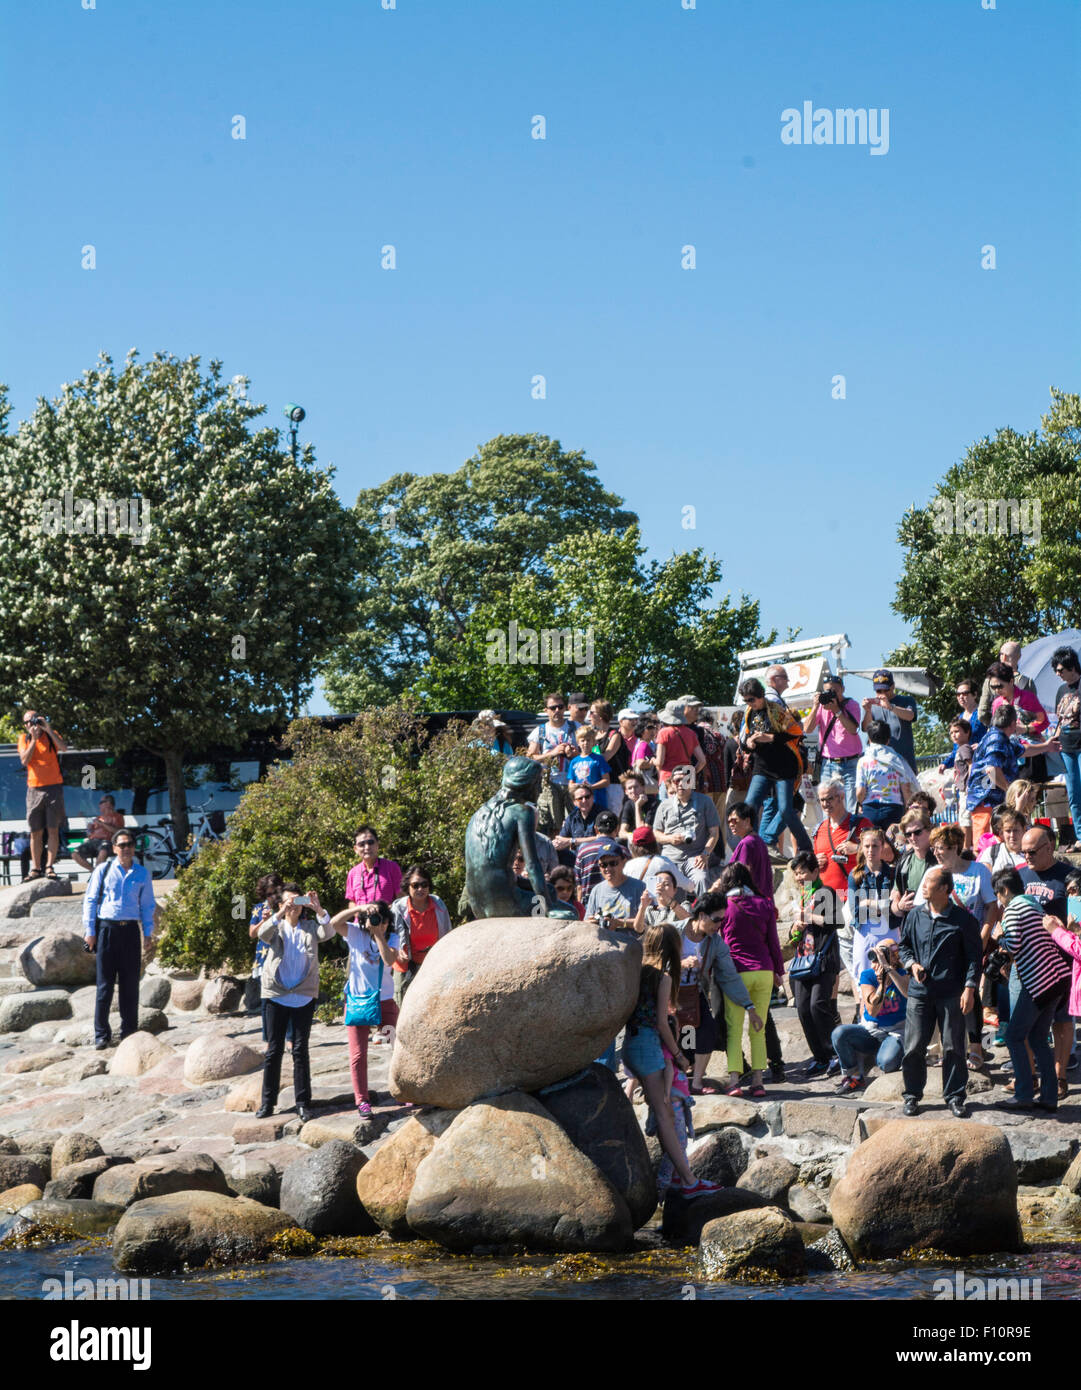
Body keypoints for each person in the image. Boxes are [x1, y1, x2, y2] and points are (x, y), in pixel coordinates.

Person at [623, 922, 721, 1198]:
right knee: (666, 1114)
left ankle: (677, 1178)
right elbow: (661, 1024)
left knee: (661, 1110)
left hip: (630, 1044)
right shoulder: (662, 976)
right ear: (672, 946)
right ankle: (688, 1182)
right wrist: (679, 1056)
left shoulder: (638, 971)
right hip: (647, 1045)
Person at [898, 866, 981, 1118]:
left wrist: (969, 987)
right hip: (919, 993)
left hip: (951, 993)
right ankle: (912, 1095)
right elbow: (904, 948)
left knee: (953, 1047)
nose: (923, 886)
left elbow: (974, 958)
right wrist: (911, 965)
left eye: (929, 882)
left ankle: (955, 1096)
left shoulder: (964, 920)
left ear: (945, 888)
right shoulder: (914, 916)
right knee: (913, 1047)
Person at [916, 823, 999, 1069]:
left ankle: (976, 1047)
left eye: (941, 848)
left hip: (971, 940)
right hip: (941, 944)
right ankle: (946, 1048)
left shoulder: (978, 871)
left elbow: (991, 907)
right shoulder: (932, 872)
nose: (937, 853)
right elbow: (922, 907)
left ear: (955, 847)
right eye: (934, 848)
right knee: (943, 996)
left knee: (970, 991)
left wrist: (982, 939)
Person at [991, 866, 1071, 1113]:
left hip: (1038, 982)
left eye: (998, 894)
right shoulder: (1034, 905)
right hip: (1056, 979)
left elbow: (1014, 943)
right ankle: (1048, 1097)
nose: (998, 900)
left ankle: (1024, 1094)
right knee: (1037, 1037)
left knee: (1015, 1036)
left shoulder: (1014, 908)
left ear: (1004, 890)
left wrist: (999, 936)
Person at [254, 883, 334, 1121]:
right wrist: (279, 914)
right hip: (276, 993)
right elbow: (262, 934)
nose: (294, 906)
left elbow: (328, 933)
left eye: (298, 902)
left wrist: (318, 909)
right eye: (290, 901)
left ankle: (302, 1102)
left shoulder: (310, 926)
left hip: (303, 994)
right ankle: (268, 1102)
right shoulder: (276, 927)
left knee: (300, 1050)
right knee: (274, 1050)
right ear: (281, 904)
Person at [677, 891, 763, 1095]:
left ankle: (696, 1084)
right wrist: (680, 964)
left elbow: (729, 976)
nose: (719, 925)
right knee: (673, 1037)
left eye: (722, 920)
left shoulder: (715, 943)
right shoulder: (673, 931)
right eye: (716, 919)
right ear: (702, 915)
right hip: (668, 993)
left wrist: (749, 1006)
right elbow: (653, 961)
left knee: (707, 1031)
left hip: (692, 995)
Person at [327, 898, 407, 1118]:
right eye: (373, 919)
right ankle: (362, 1101)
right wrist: (360, 908)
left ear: (387, 921)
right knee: (358, 1055)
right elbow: (334, 923)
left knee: (396, 1047)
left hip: (385, 1000)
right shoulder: (355, 934)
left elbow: (390, 960)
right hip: (358, 1001)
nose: (377, 922)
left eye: (381, 919)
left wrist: (379, 934)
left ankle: (403, 1091)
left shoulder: (391, 936)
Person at [83, 828, 156, 1051]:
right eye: (122, 845)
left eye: (130, 844)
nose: (126, 849)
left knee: (130, 984)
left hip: (130, 931)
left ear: (134, 848)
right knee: (104, 985)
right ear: (114, 848)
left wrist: (148, 934)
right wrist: (90, 931)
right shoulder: (103, 870)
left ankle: (129, 1032)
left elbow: (147, 906)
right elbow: (91, 900)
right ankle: (101, 1035)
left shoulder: (142, 873)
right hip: (107, 930)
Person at [716, 862, 784, 1098]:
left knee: (734, 1028)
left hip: (736, 973)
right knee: (759, 1027)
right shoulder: (765, 904)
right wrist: (779, 971)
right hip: (764, 971)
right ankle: (758, 1082)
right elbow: (773, 942)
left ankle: (734, 1081)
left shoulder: (725, 906)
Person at [1018, 823, 1076, 1098]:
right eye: (1023, 852)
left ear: (1050, 846)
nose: (1026, 856)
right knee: (1028, 1022)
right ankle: (1030, 1076)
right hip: (1029, 962)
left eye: (1031, 851)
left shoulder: (1070, 877)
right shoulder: (1019, 876)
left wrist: (1062, 927)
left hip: (1061, 962)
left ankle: (1060, 1075)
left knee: (1062, 1021)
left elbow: (1078, 923)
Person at [739, 678, 812, 856]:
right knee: (749, 806)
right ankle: (755, 844)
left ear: (761, 696)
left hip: (784, 767)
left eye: (752, 700)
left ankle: (806, 847)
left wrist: (770, 737)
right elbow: (745, 741)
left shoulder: (776, 711)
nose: (749, 703)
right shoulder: (749, 713)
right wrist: (749, 742)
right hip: (762, 766)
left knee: (786, 809)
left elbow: (796, 732)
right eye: (746, 700)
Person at [787, 850, 842, 1078]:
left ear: (815, 871)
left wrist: (807, 917)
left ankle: (836, 1054)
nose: (800, 877)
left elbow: (836, 921)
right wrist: (795, 929)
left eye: (804, 873)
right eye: (797, 873)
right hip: (804, 961)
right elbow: (797, 932)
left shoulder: (825, 892)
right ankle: (819, 1057)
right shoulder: (803, 896)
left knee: (818, 1006)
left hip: (823, 959)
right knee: (802, 1009)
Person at [831, 938, 909, 1093]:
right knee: (839, 1033)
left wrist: (889, 970)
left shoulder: (903, 972)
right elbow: (873, 1011)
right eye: (890, 951)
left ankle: (895, 1052)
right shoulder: (868, 975)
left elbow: (907, 992)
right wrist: (882, 985)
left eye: (895, 950)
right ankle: (854, 1076)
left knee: (885, 1063)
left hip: (897, 1031)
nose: (895, 953)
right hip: (871, 1029)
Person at [652, 765, 721, 894]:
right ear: (672, 782)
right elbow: (656, 834)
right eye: (676, 780)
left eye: (685, 780)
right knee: (657, 882)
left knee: (701, 878)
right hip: (669, 858)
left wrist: (705, 854)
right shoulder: (664, 805)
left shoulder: (705, 802)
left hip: (695, 857)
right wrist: (670, 839)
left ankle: (704, 912)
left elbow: (714, 832)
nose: (680, 784)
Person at [18, 710, 69, 881]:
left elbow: (64, 748)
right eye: (27, 722)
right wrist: (33, 739)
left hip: (53, 788)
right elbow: (24, 761)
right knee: (35, 832)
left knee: (53, 830)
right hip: (34, 790)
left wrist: (48, 729)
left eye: (33, 720)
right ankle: (36, 868)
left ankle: (49, 867)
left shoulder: (51, 735)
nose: (31, 724)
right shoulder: (24, 739)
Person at [390, 866, 452, 1006]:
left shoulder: (438, 904)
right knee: (402, 1011)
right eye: (415, 885)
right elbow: (390, 935)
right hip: (405, 966)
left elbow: (448, 933)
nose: (420, 889)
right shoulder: (399, 908)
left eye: (424, 884)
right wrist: (397, 951)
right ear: (408, 886)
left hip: (433, 966)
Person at [845, 828, 896, 993]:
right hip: (865, 932)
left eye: (875, 846)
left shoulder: (893, 873)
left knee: (892, 978)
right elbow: (855, 911)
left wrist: (868, 902)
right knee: (865, 980)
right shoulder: (855, 875)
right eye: (866, 846)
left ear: (882, 847)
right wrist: (883, 906)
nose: (870, 850)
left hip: (890, 930)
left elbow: (896, 907)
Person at [804, 675, 862, 813]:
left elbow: (853, 729)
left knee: (851, 806)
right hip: (828, 764)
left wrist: (837, 710)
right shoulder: (822, 707)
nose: (831, 694)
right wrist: (815, 705)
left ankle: (850, 833)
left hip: (851, 764)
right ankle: (831, 834)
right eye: (828, 691)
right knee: (828, 806)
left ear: (842, 689)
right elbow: (807, 728)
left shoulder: (852, 705)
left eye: (834, 691)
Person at [527, 692, 580, 837]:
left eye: (560, 707)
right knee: (551, 826)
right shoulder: (539, 731)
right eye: (553, 707)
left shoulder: (576, 727)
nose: (557, 710)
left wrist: (575, 754)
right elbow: (530, 757)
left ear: (565, 708)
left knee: (576, 823)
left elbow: (593, 750)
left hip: (573, 782)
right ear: (546, 710)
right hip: (549, 782)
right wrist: (552, 753)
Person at [855, 719, 919, 832]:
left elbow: (860, 792)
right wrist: (908, 811)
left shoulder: (863, 761)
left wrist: (861, 803)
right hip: (893, 809)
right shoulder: (897, 760)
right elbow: (906, 789)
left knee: (871, 846)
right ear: (888, 740)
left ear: (869, 739)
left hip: (870, 810)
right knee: (892, 846)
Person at [812, 780, 870, 898]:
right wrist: (814, 862)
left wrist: (857, 848)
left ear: (841, 797)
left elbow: (884, 853)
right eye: (822, 800)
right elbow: (809, 872)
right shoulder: (819, 829)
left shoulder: (861, 824)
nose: (825, 804)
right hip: (824, 900)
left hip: (854, 899)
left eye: (829, 799)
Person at [1050, 645, 1081, 852]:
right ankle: (1080, 836)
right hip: (1066, 746)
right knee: (1073, 793)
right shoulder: (1061, 690)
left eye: (1061, 670)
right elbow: (1059, 719)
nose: (1058, 674)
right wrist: (1053, 737)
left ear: (1072, 667)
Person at [248, 872, 285, 1045]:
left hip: (283, 955)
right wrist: (265, 921)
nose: (271, 897)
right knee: (267, 999)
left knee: (286, 997)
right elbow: (252, 933)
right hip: (264, 957)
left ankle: (289, 1037)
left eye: (274, 893)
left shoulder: (285, 906)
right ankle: (268, 1037)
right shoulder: (258, 908)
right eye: (268, 894)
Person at [861, 670, 918, 771]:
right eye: (879, 691)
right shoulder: (872, 705)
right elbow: (866, 728)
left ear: (893, 686)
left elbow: (910, 716)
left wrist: (891, 707)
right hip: (880, 764)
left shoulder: (906, 700)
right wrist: (868, 711)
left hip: (904, 762)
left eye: (885, 690)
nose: (882, 694)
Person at [584, 845, 648, 928]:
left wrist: (619, 923)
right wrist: (593, 921)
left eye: (613, 863)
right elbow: (586, 921)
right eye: (603, 865)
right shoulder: (597, 890)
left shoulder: (639, 887)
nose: (608, 868)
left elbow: (646, 922)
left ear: (624, 862)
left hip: (631, 939)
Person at [655, 700, 706, 795]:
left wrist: (653, 760)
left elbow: (659, 763)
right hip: (687, 777)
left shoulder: (664, 732)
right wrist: (691, 773)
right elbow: (702, 760)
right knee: (687, 808)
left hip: (669, 778)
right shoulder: (691, 733)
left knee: (668, 808)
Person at [985, 659, 1048, 737]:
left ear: (1011, 681)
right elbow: (994, 727)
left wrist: (1025, 729)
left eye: (999, 686)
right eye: (993, 687)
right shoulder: (997, 702)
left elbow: (1044, 722)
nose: (997, 690)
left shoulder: (1028, 697)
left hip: (1028, 745)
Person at [623, 826, 693, 895]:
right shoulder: (663, 862)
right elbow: (689, 886)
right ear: (654, 843)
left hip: (636, 905)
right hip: (660, 905)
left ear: (633, 846)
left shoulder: (628, 866)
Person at [346, 827, 402, 912]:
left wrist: (384, 911)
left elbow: (401, 898)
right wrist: (360, 913)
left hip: (386, 922)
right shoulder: (353, 873)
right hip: (360, 923)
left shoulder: (392, 867)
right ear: (356, 849)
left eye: (370, 842)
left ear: (377, 845)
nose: (367, 847)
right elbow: (352, 902)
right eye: (362, 844)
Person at [889, 810, 933, 919]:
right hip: (912, 925)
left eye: (917, 832)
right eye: (908, 834)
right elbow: (894, 903)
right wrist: (900, 906)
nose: (913, 838)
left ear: (929, 830)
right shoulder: (904, 861)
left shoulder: (941, 857)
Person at [977, 640, 1033, 726]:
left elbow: (982, 713)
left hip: (996, 732)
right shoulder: (1026, 682)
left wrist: (995, 725)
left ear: (1002, 657)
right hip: (1020, 733)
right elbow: (1033, 714)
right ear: (1019, 657)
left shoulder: (989, 681)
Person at [574, 811, 625, 903]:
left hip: (589, 905)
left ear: (596, 829)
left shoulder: (583, 851)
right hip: (618, 903)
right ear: (617, 829)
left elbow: (579, 886)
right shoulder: (623, 851)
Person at [939, 717, 976, 841]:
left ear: (967, 732)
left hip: (966, 789)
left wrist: (969, 784)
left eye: (957, 731)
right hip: (962, 789)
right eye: (951, 733)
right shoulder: (959, 749)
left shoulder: (964, 748)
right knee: (963, 818)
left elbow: (971, 765)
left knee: (965, 819)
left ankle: (966, 847)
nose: (953, 735)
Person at [727, 801, 773, 899]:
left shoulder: (746, 844)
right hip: (764, 902)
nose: (731, 824)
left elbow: (740, 876)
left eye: (734, 820)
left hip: (751, 903)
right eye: (729, 822)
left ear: (747, 821)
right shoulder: (758, 840)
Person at [72, 794, 126, 871]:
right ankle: (95, 872)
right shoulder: (98, 818)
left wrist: (102, 824)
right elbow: (89, 835)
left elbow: (118, 832)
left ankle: (98, 874)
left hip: (107, 841)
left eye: (101, 802)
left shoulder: (118, 817)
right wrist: (89, 829)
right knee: (75, 853)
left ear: (108, 803)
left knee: (103, 851)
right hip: (93, 841)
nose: (99, 805)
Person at [552, 784, 601, 863]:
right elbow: (561, 839)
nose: (584, 800)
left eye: (587, 797)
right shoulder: (572, 817)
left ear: (593, 797)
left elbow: (603, 837)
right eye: (580, 799)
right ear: (574, 802)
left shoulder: (601, 814)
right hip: (576, 857)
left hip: (596, 856)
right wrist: (557, 844)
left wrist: (572, 841)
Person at [567, 725, 612, 807]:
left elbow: (606, 781)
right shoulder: (574, 761)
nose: (585, 743)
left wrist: (591, 787)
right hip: (580, 802)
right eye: (582, 740)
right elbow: (570, 784)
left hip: (597, 801)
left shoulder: (599, 759)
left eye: (588, 740)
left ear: (593, 742)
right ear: (578, 743)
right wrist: (577, 786)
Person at [977, 806, 1029, 872]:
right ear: (1002, 832)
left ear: (1024, 829)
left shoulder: (1031, 854)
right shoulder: (991, 853)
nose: (1012, 835)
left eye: (1016, 830)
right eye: (1008, 831)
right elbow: (984, 878)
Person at [617, 771, 659, 843]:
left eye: (636, 787)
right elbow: (621, 832)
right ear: (626, 792)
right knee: (618, 841)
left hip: (652, 840)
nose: (633, 790)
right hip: (635, 839)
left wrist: (637, 806)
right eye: (630, 788)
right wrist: (629, 835)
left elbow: (643, 832)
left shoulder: (654, 803)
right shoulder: (628, 804)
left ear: (643, 787)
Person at [953, 678, 987, 744]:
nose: (961, 697)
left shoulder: (984, 712)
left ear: (975, 694)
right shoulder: (959, 718)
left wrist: (982, 744)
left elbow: (994, 733)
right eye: (958, 694)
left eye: (965, 693)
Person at [630, 714, 660, 787]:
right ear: (641, 730)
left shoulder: (640, 744)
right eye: (649, 727)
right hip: (645, 787)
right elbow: (640, 763)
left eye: (653, 727)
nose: (653, 730)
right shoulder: (643, 745)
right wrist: (652, 761)